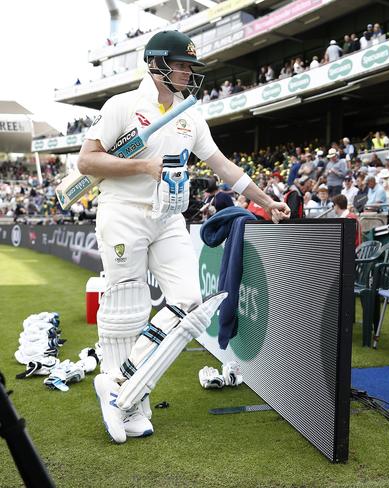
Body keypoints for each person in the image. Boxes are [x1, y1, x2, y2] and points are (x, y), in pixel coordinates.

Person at [78, 30, 290, 444]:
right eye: (182, 65)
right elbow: (87, 160)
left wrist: (267, 200)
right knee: (127, 310)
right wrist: (143, 167)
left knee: (191, 303)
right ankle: (132, 406)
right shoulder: (122, 105)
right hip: (122, 212)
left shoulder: (190, 113)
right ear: (157, 63)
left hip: (168, 217)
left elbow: (225, 167)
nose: (189, 72)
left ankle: (117, 382)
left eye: (191, 66)